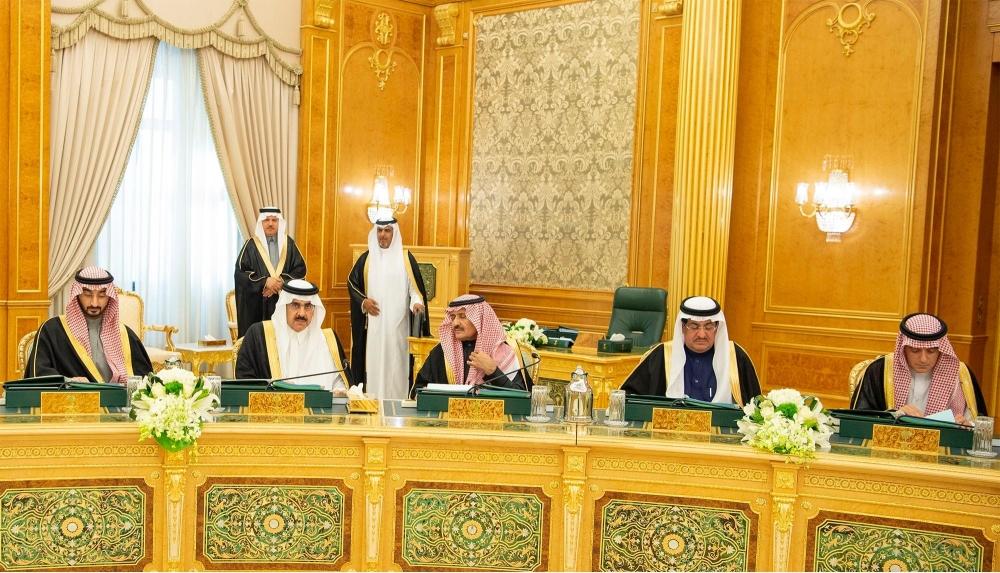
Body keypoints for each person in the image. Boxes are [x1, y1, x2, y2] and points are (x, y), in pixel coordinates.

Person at [620, 295, 760, 405]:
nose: (702, 334)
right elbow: (628, 398)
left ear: (717, 328)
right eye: (694, 326)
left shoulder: (735, 357)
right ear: (682, 327)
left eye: (708, 327)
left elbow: (757, 407)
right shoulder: (662, 356)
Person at [850, 313, 987, 424]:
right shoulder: (880, 370)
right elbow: (859, 419)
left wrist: (968, 425)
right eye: (915, 350)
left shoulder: (960, 374)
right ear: (904, 348)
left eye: (931, 351)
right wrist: (895, 415)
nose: (923, 359)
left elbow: (979, 422)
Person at [347, 218, 429, 399]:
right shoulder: (367, 259)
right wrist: (363, 302)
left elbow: (415, 289)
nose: (382, 235)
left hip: (399, 327)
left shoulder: (405, 258)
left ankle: (398, 402)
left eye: (387, 230)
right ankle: (372, 402)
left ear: (394, 233)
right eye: (379, 231)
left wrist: (416, 303)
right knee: (373, 365)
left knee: (397, 366)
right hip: (374, 329)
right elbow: (352, 283)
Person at [25, 267, 152, 382]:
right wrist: (68, 381)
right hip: (73, 399)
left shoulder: (125, 335)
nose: (94, 303)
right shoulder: (52, 330)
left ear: (110, 296)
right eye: (87, 294)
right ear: (77, 294)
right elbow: (38, 374)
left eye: (102, 295)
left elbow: (146, 380)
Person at [235, 279, 351, 391]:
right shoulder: (259, 335)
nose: (302, 313)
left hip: (319, 404)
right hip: (273, 404)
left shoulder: (328, 340)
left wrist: (339, 391)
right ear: (284, 306)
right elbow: (246, 381)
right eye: (295, 305)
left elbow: (340, 380)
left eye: (308, 306)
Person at [413, 294, 532, 396]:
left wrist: (493, 371)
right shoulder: (442, 352)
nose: (455, 323)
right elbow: (418, 391)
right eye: (453, 317)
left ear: (480, 319)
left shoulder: (505, 352)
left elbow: (523, 397)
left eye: (463, 316)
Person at [234, 207, 307, 338]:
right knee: (260, 341)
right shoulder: (251, 245)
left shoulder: (289, 244)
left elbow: (300, 270)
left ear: (279, 223)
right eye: (266, 220)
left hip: (284, 304)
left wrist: (281, 282)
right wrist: (265, 282)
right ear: (261, 223)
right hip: (259, 304)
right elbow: (240, 274)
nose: (270, 223)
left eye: (274, 220)